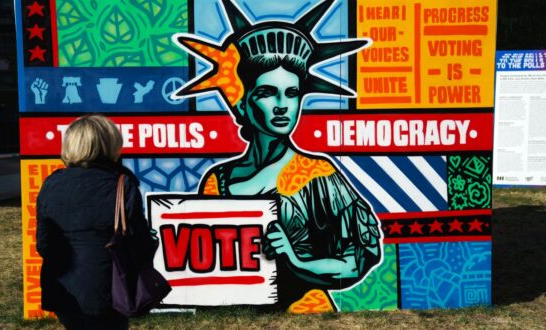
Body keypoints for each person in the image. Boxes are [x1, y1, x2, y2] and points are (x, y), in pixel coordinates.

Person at [196, 22, 382, 308]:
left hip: (306, 314)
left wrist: (296, 262)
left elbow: (358, 258)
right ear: (243, 105)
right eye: (267, 93)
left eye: (292, 93)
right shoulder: (217, 180)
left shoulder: (318, 174)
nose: (282, 105)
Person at [36, 115, 157, 329]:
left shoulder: (51, 183)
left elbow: (44, 245)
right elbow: (139, 245)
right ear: (110, 143)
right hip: (111, 291)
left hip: (63, 290)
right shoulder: (122, 184)